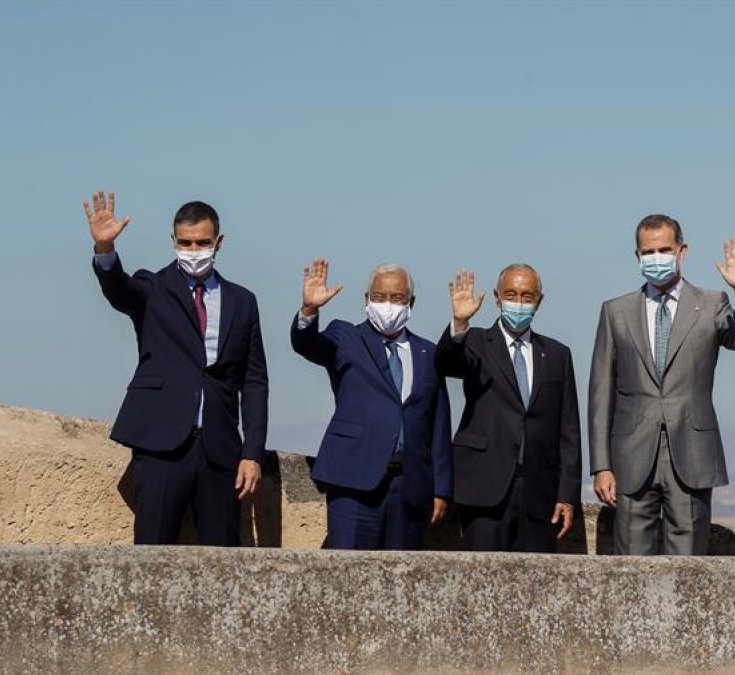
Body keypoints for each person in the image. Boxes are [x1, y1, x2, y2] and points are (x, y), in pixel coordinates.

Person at [86, 190, 268, 546]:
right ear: (173, 241)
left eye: (202, 242)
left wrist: (252, 453)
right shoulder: (152, 288)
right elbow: (118, 290)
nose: (194, 250)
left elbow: (255, 380)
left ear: (219, 242)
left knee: (223, 562)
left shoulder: (243, 301)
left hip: (220, 450)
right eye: (185, 243)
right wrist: (105, 250)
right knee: (152, 553)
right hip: (161, 445)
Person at [589, 214, 735, 555]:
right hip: (631, 457)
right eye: (648, 251)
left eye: (664, 249)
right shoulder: (616, 312)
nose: (656, 258)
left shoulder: (712, 304)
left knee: (688, 568)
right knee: (631, 568)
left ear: (682, 251)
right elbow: (600, 392)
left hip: (692, 455)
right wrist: (601, 465)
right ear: (637, 256)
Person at [291, 259, 452, 550]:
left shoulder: (427, 353)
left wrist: (441, 487)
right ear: (367, 300)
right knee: (348, 577)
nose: (387, 304)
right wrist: (309, 310)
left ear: (410, 302)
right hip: (354, 480)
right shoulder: (345, 337)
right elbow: (307, 343)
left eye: (396, 298)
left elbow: (438, 423)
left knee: (403, 582)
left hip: (410, 486)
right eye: (378, 297)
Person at [436, 265, 581, 552]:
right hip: (485, 487)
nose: (518, 302)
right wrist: (459, 323)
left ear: (539, 300)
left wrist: (567, 495)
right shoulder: (475, 341)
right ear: (497, 297)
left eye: (527, 296)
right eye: (511, 294)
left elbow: (569, 430)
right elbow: (447, 363)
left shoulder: (556, 354)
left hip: (539, 493)